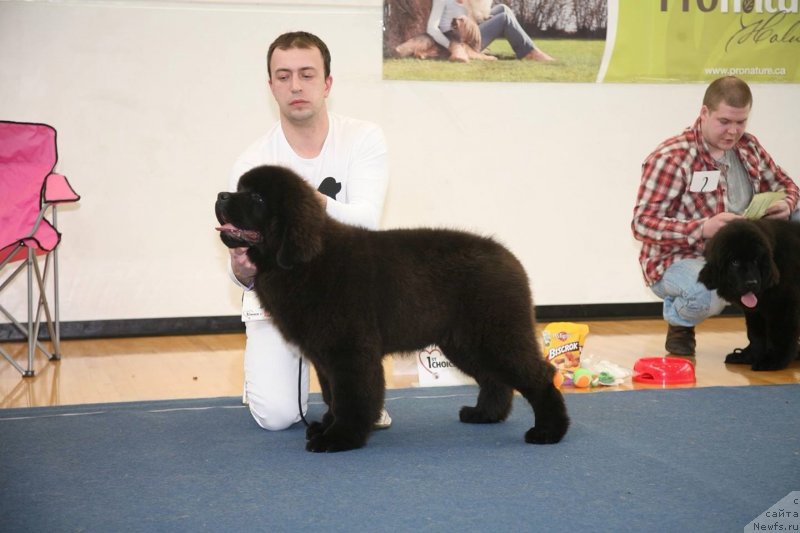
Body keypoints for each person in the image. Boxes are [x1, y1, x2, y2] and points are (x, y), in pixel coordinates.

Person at [228, 31, 391, 431]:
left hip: (347, 299)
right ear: (271, 87)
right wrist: (241, 265)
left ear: (327, 83)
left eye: (307, 74)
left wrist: (302, 200)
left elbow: (367, 220)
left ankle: (356, 395)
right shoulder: (252, 161)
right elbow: (243, 272)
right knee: (278, 417)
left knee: (354, 341)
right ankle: (268, 379)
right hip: (281, 302)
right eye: (283, 76)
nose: (296, 86)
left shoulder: (363, 138)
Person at [632, 76, 799, 356]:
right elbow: (641, 224)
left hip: (740, 256)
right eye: (724, 121)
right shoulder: (672, 157)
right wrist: (701, 229)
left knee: (796, 220)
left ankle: (783, 331)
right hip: (681, 257)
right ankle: (680, 322)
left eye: (741, 122)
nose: (733, 132)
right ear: (704, 113)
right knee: (706, 293)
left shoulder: (749, 148)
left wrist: (787, 203)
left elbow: (788, 186)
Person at [426, 0, 555, 63]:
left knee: (503, 9)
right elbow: (432, 28)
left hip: (469, 33)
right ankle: (529, 52)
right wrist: (452, 46)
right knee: (504, 19)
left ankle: (529, 48)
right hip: (461, 42)